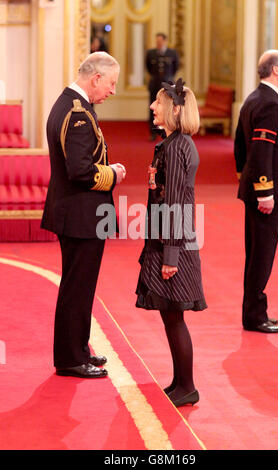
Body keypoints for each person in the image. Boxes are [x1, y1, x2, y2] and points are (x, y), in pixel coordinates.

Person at [41, 52, 126, 378]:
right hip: (80, 215)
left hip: (77, 213)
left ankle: (78, 349)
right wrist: (114, 173)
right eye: (111, 83)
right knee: (77, 288)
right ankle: (70, 358)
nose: (113, 90)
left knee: (79, 287)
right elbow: (81, 172)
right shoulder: (77, 113)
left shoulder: (71, 105)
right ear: (95, 78)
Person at [135, 78, 207, 407]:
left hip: (174, 244)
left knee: (175, 314)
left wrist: (171, 255)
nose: (153, 107)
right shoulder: (171, 143)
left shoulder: (178, 146)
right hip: (167, 239)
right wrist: (154, 183)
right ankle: (180, 382)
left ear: (174, 110)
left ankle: (187, 386)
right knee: (169, 314)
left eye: (159, 103)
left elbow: (178, 204)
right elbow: (167, 195)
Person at [234, 50, 278, 333]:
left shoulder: (255, 98)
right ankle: (254, 316)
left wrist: (243, 177)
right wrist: (264, 192)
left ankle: (254, 311)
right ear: (274, 70)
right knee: (262, 255)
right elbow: (261, 149)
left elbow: (239, 145)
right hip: (266, 194)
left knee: (256, 253)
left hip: (256, 188)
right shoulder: (269, 103)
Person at [146, 33, 179, 141]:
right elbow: (148, 68)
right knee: (153, 108)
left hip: (168, 85)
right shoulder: (151, 53)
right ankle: (153, 132)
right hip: (155, 84)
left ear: (165, 41)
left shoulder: (172, 53)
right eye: (157, 41)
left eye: (160, 41)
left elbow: (175, 67)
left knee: (169, 108)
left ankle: (168, 131)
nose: (158, 43)